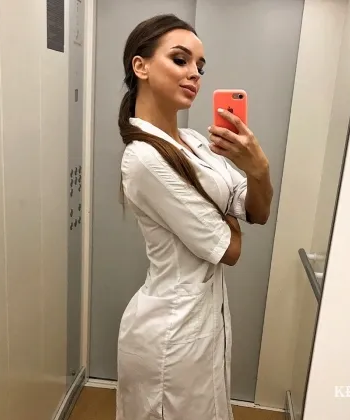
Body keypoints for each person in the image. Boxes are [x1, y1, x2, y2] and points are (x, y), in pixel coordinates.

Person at [117, 13, 273, 420]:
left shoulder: (193, 141)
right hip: (172, 331)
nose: (194, 74)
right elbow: (229, 249)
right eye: (180, 59)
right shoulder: (144, 158)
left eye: (200, 67)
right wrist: (227, 207)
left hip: (204, 322)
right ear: (141, 66)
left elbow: (257, 211)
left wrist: (258, 169)